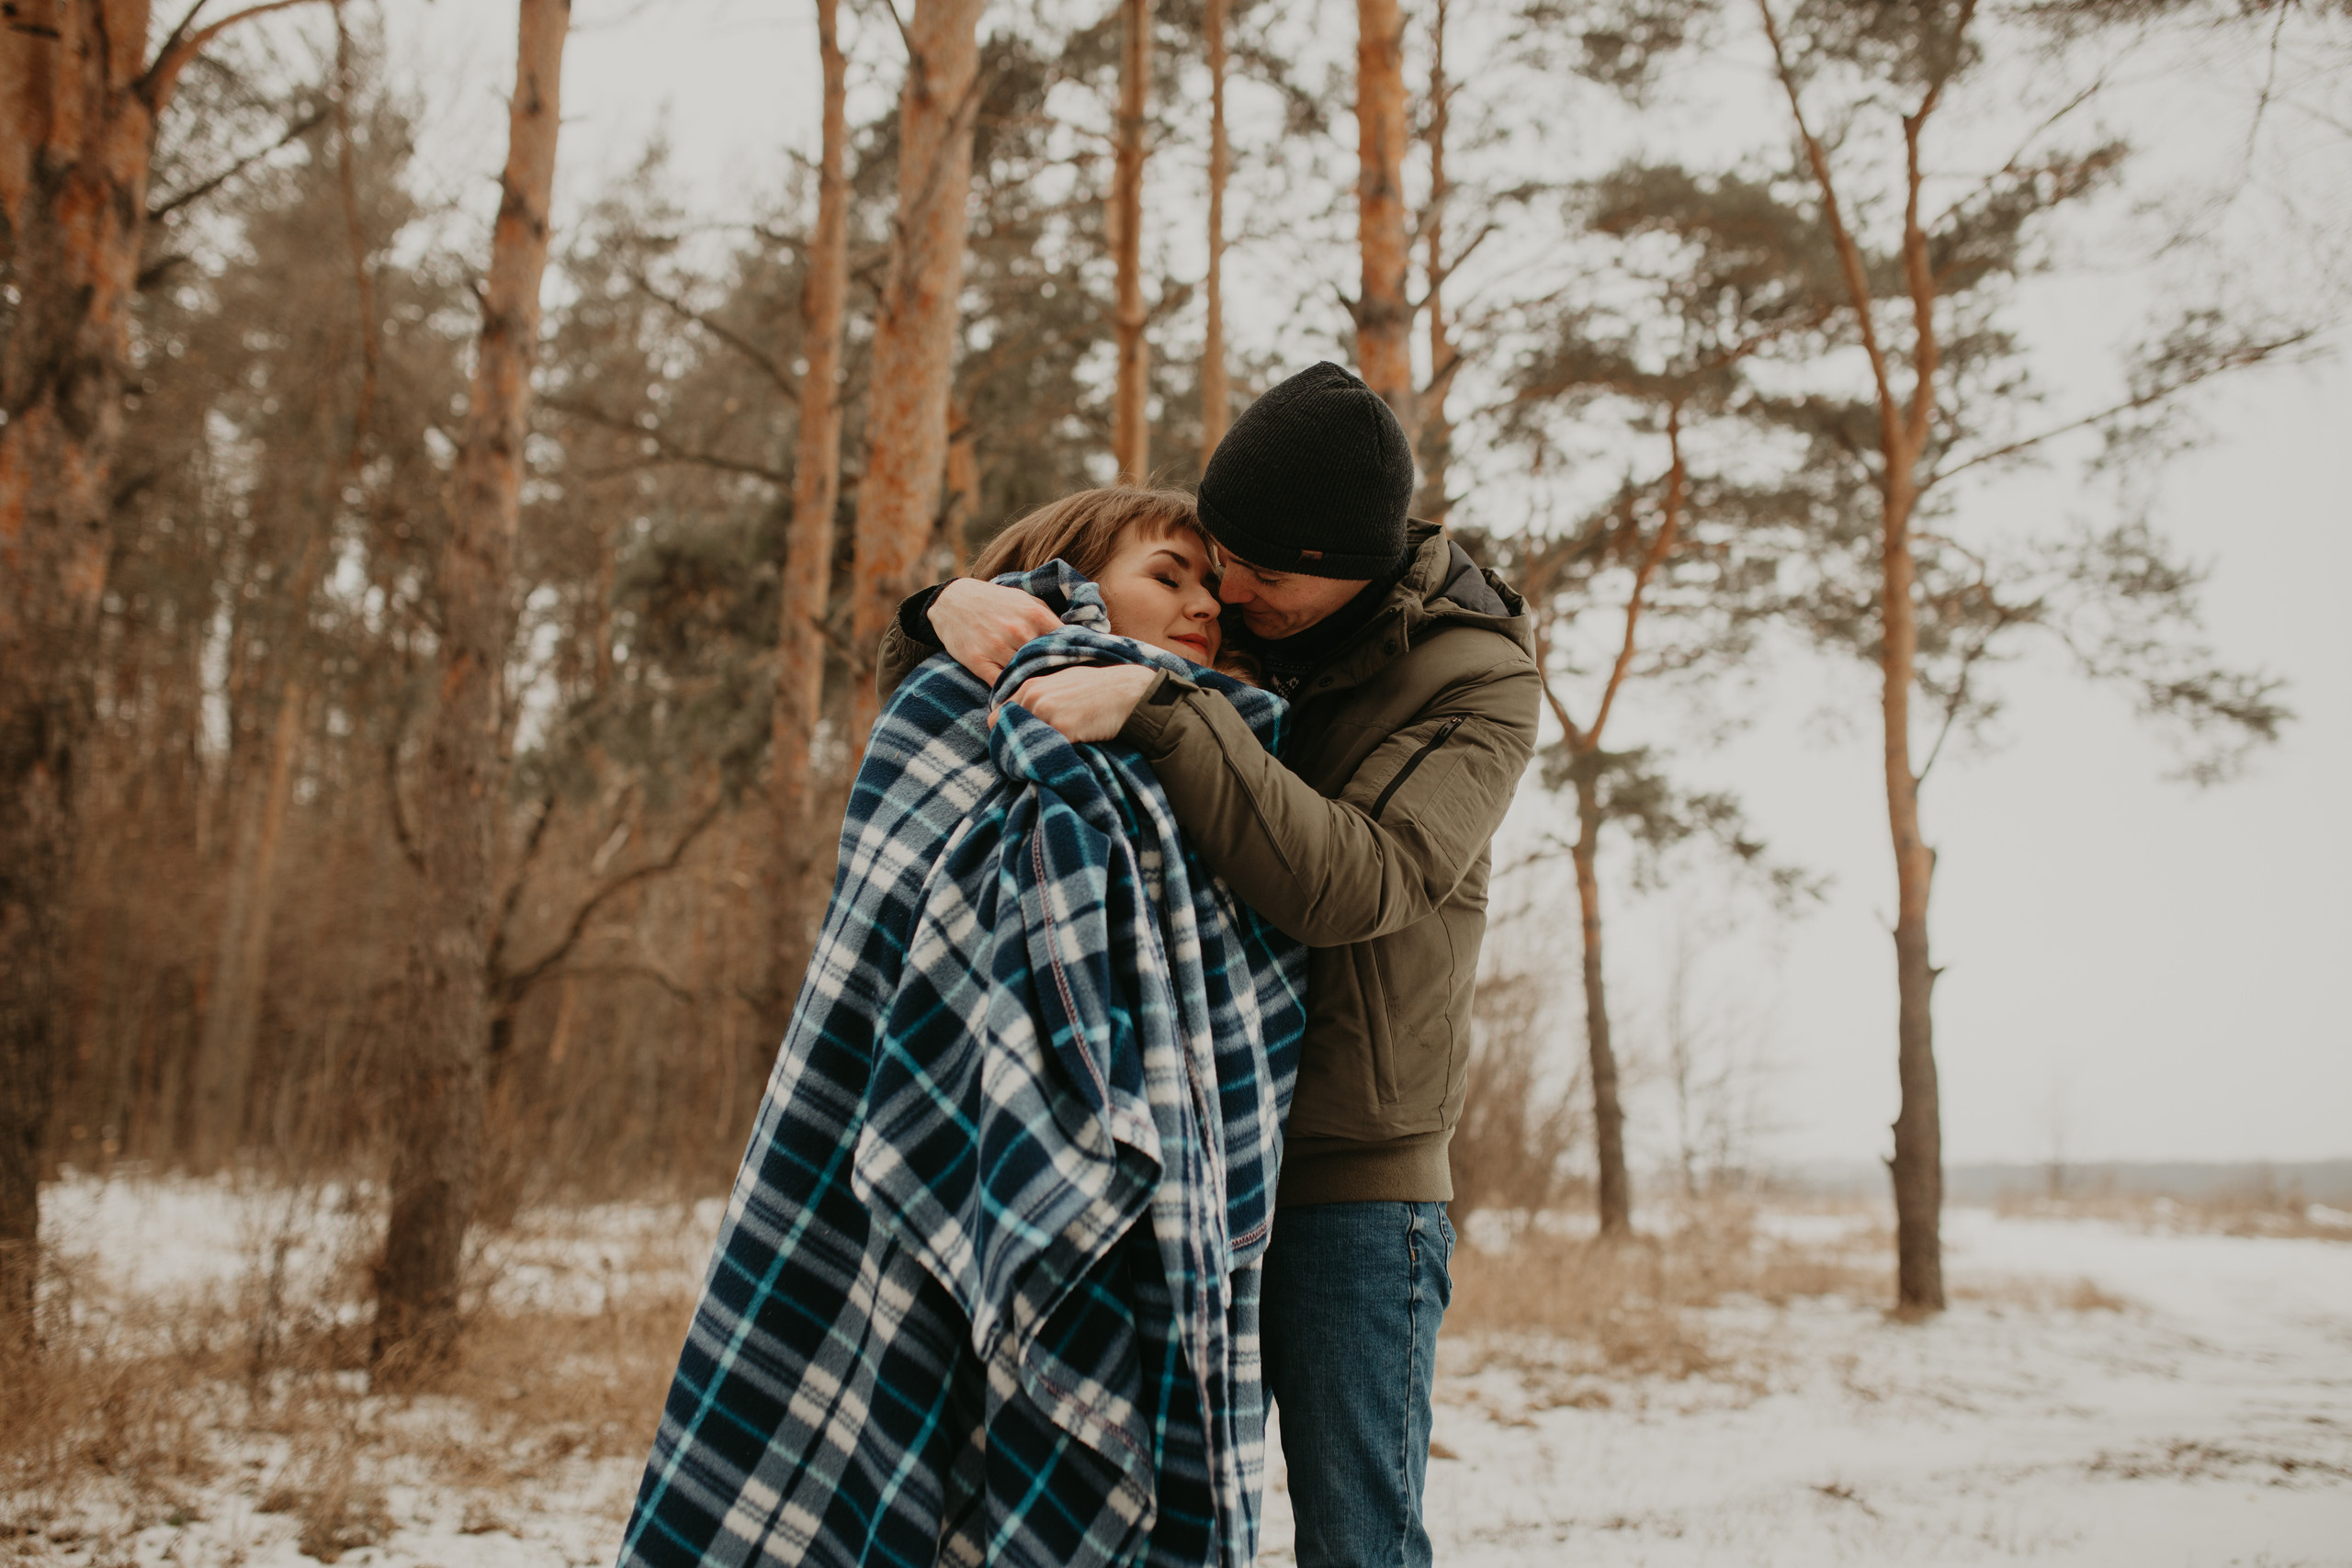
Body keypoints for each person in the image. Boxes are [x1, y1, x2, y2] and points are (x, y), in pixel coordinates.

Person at [881, 364, 1543, 1568]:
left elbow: (1356, 878)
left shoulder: (1477, 679)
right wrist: (938, 608)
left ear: (1356, 562)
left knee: (1358, 1535)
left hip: (1349, 1174)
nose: (1229, 594)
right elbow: (1029, 659)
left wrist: (1168, 711)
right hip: (1178, 1151)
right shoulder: (1235, 607)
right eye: (1218, 559)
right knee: (1147, 1517)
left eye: (1264, 576)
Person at [619, 485, 1306, 1568]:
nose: (1203, 609)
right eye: (1166, 577)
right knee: (880, 1434)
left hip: (1159, 1183)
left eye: (1211, 590)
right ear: (1070, 580)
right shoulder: (954, 706)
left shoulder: (1222, 749)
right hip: (921, 1132)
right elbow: (893, 917)